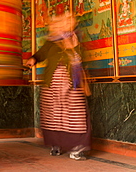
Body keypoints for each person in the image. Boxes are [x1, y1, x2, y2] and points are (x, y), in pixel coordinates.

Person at [26, 12, 91, 161]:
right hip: (52, 85)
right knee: (53, 115)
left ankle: (76, 148)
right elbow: (41, 53)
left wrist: (71, 47)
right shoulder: (51, 42)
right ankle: (56, 145)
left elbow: (79, 59)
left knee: (75, 116)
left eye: (70, 21)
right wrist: (33, 58)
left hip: (72, 84)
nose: (68, 23)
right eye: (66, 21)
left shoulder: (76, 38)